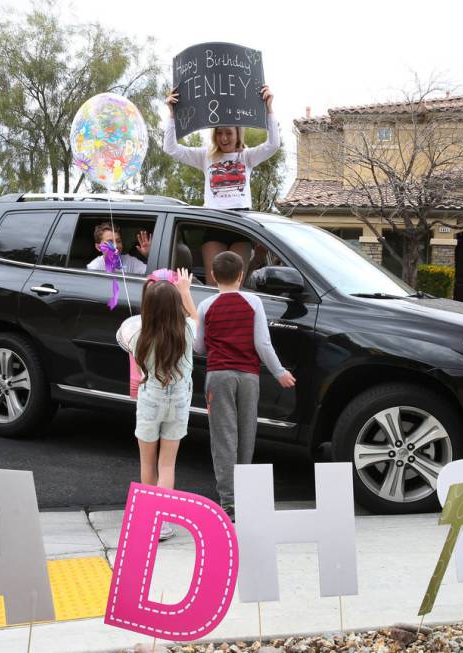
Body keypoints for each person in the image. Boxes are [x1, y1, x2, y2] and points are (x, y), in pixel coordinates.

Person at [193, 251, 295, 520]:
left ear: (213, 276)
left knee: (223, 438)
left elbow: (199, 346)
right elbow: (263, 343)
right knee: (246, 434)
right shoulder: (253, 302)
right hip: (249, 377)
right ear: (241, 275)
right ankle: (246, 495)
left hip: (218, 376)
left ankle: (229, 502)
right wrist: (280, 372)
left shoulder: (206, 306)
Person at [164, 85, 280, 284]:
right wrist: (172, 114)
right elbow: (171, 148)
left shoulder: (247, 156)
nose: (224, 138)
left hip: (240, 224)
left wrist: (269, 108)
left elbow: (273, 145)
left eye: (228, 133)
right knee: (214, 284)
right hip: (214, 222)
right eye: (219, 133)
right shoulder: (205, 156)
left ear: (238, 134)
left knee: (235, 283)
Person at [116, 269, 197, 541]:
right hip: (179, 402)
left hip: (149, 400)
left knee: (147, 464)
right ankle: (163, 523)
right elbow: (196, 320)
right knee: (167, 465)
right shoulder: (187, 330)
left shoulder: (138, 335)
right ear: (177, 307)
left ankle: (148, 520)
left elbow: (122, 335)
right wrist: (185, 290)